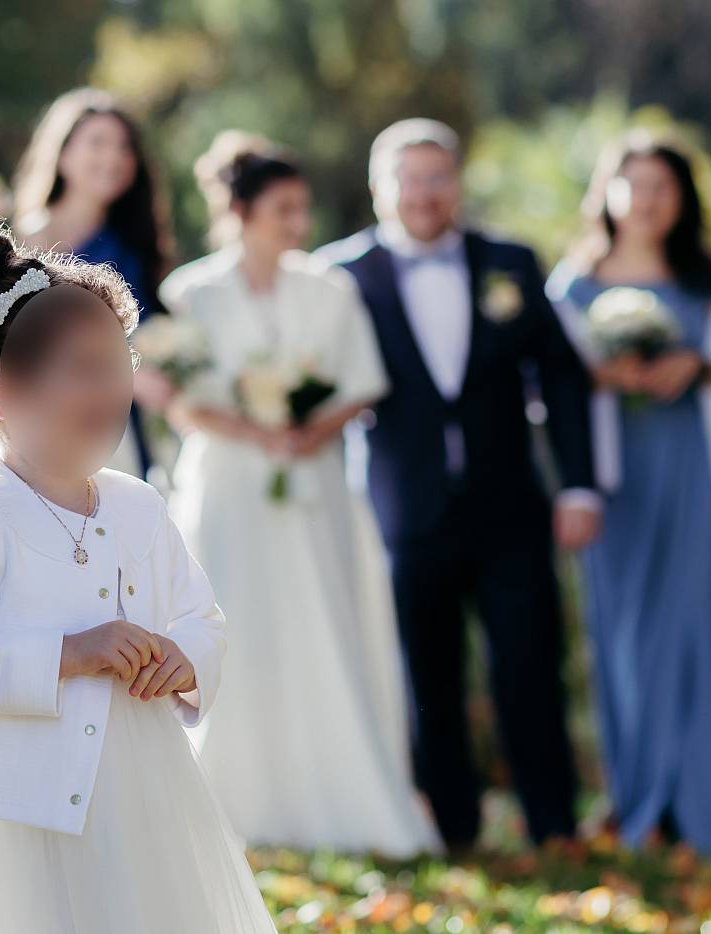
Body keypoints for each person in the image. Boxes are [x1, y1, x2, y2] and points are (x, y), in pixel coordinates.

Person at [0, 214, 274, 933]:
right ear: (1, 394)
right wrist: (69, 655)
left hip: (140, 791)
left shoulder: (139, 506)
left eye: (117, 365)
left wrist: (184, 658)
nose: (108, 390)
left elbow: (202, 618)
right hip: (13, 807)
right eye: (82, 371)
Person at [319, 118, 599, 850]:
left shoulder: (510, 260)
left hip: (511, 502)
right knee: (426, 676)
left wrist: (579, 487)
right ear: (379, 189)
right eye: (407, 179)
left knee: (532, 664)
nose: (423, 193)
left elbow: (562, 378)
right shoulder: (338, 276)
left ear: (459, 184)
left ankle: (553, 825)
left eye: (437, 176)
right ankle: (454, 828)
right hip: (401, 509)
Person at [158, 132, 439, 856]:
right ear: (243, 210)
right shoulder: (192, 292)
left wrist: (309, 433)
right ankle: (231, 802)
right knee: (232, 625)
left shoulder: (329, 287)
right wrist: (255, 434)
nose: (298, 223)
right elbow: (179, 397)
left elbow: (362, 382)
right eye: (284, 208)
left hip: (311, 479)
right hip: (228, 481)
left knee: (321, 622)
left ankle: (338, 796)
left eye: (303, 209)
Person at [548, 136, 711, 853]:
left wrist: (700, 367)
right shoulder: (572, 285)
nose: (649, 200)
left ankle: (710, 812)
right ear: (610, 193)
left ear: (682, 198)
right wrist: (599, 377)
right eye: (636, 185)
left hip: (696, 471)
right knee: (624, 641)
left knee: (702, 634)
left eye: (663, 187)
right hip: (616, 484)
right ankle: (640, 805)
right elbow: (544, 389)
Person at [14, 88, 174, 479]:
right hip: (59, 425)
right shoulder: (28, 243)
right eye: (97, 144)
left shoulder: (134, 245)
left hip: (136, 427)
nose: (113, 158)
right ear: (63, 154)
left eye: (124, 147)